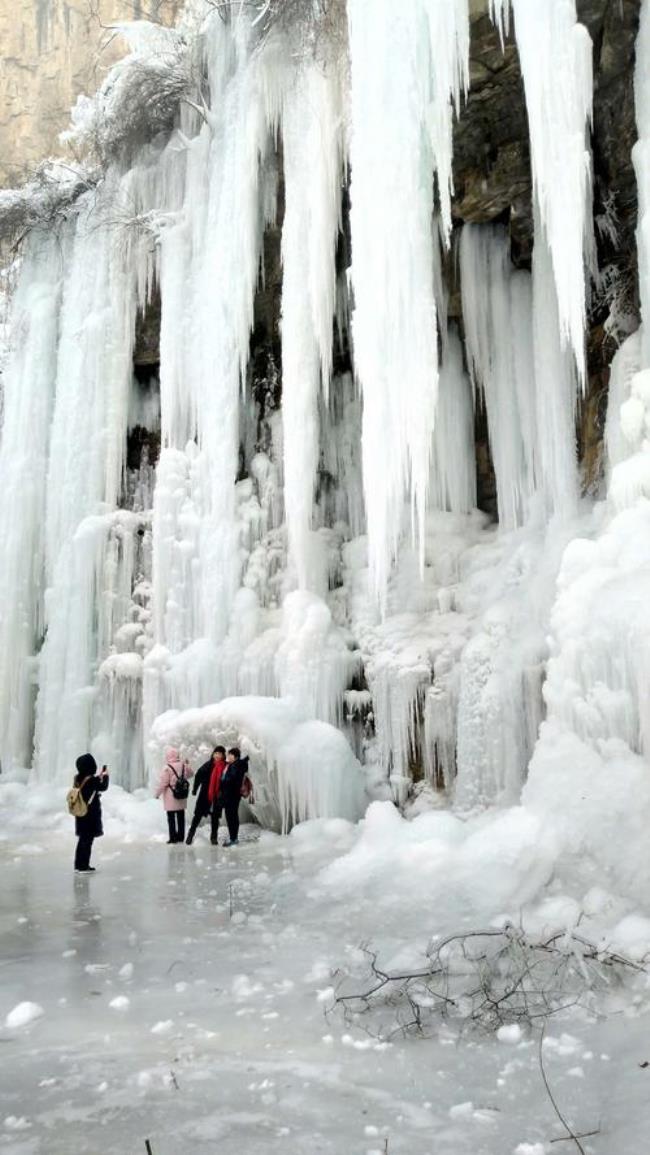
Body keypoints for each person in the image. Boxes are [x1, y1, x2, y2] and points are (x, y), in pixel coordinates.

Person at [72, 754, 109, 873]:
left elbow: (90, 785)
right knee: (87, 841)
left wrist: (98, 777)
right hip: (89, 814)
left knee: (82, 840)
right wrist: (106, 776)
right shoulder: (92, 780)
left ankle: (78, 864)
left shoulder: (77, 778)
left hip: (81, 814)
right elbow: (103, 787)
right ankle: (84, 866)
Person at [186, 746, 226, 846]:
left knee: (215, 818)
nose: (217, 755)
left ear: (223, 756)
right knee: (197, 816)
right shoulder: (208, 765)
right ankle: (190, 834)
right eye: (216, 753)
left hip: (217, 797)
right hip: (205, 796)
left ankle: (213, 837)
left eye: (220, 754)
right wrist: (195, 789)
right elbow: (198, 776)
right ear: (213, 754)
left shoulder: (225, 766)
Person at [155, 748, 193, 844]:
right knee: (181, 816)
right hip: (181, 795)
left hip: (170, 795)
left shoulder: (167, 768)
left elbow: (163, 783)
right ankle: (181, 837)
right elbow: (191, 774)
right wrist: (187, 765)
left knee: (171, 818)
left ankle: (173, 838)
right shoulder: (183, 765)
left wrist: (157, 794)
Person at [218, 747, 249, 847]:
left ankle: (233, 839)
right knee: (232, 816)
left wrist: (223, 780)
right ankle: (233, 838)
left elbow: (231, 779)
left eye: (230, 755)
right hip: (232, 795)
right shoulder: (236, 765)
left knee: (231, 817)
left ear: (235, 756)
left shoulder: (235, 766)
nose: (228, 756)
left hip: (231, 795)